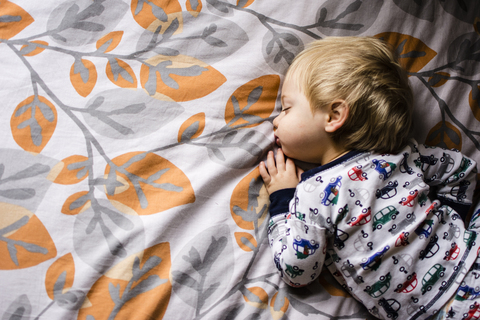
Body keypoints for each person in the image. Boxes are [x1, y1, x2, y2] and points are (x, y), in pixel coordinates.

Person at [259, 36, 480, 320]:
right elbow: (462, 170)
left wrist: (282, 200)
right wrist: (453, 227)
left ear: (335, 115)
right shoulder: (403, 154)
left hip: (447, 310)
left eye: (287, 108)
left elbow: (297, 271)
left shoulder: (313, 193)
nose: (276, 119)